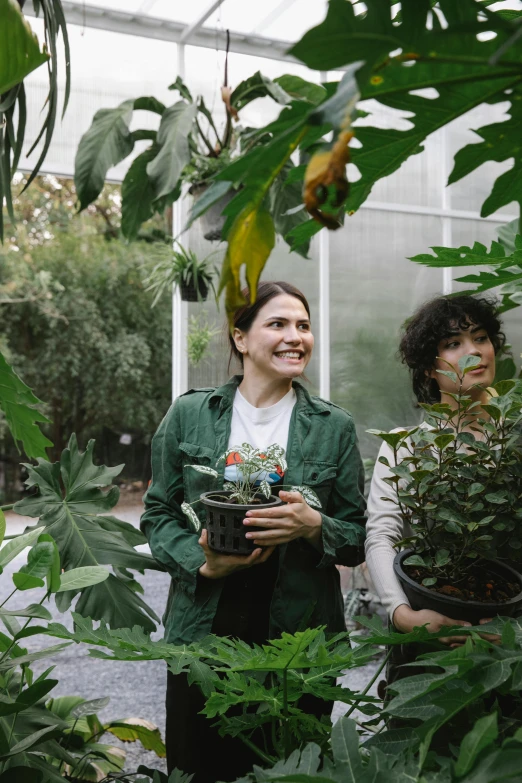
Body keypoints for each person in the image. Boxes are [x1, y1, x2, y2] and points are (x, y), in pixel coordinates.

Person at [141, 280, 367, 782]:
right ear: (241, 338)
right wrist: (203, 561)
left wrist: (313, 525)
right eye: (278, 324)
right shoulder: (190, 415)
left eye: (304, 326)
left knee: (288, 768)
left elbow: (354, 538)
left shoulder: (333, 427)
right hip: (205, 624)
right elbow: (157, 515)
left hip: (298, 637)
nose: (296, 337)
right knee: (198, 766)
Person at [365, 294, 506, 656]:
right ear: (429, 367)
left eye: (480, 337)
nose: (473, 351)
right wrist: (401, 614)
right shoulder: (404, 448)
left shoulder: (515, 441)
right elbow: (381, 535)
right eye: (453, 344)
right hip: (426, 638)